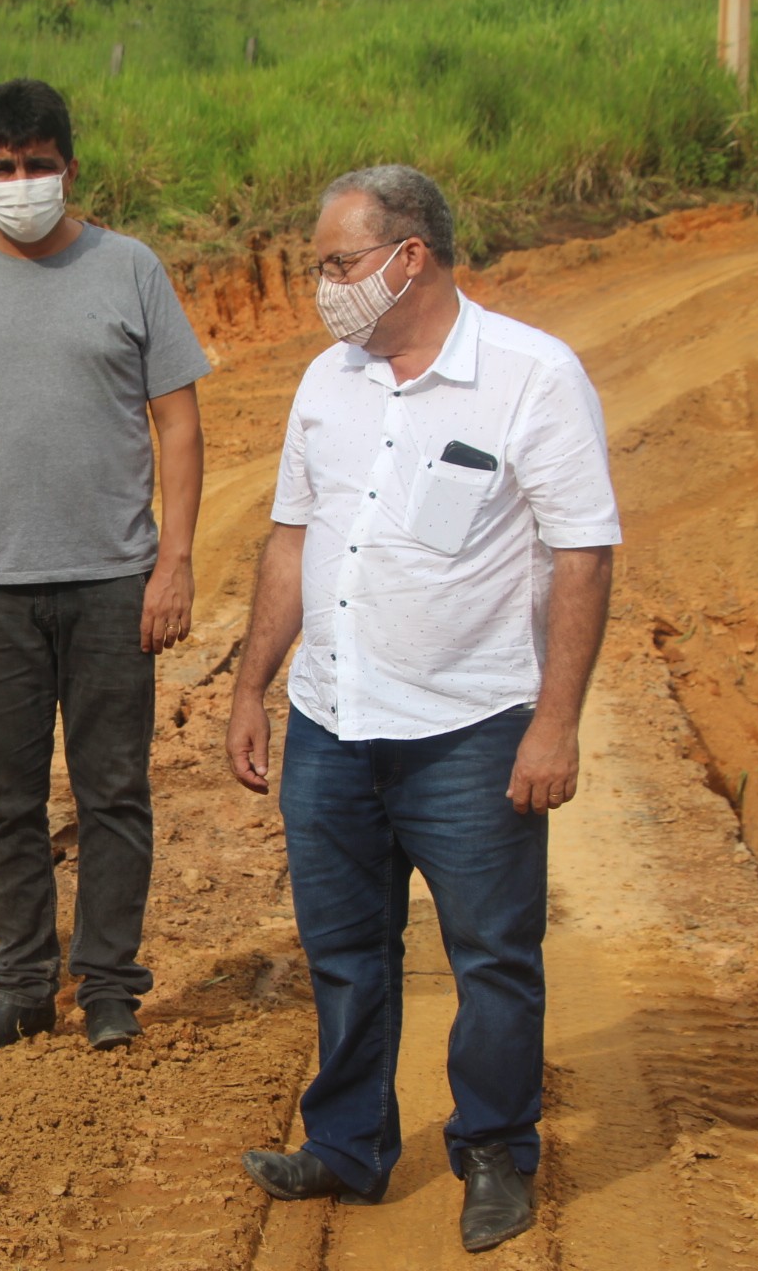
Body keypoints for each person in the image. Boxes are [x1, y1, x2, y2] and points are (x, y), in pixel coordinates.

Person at [224, 165, 618, 1252]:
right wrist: (254, 683)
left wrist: (556, 720)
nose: (324, 287)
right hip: (332, 724)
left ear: (413, 258)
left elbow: (583, 555)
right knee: (345, 949)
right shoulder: (326, 381)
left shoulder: (533, 377)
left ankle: (496, 1149)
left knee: (492, 955)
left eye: (338, 263)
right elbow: (293, 538)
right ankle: (347, 1142)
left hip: (472, 730)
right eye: (317, 266)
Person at [0, 79, 209, 1055]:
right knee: (7, 800)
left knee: (113, 791)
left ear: (71, 167)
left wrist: (175, 562)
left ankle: (109, 985)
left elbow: (180, 423)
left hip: (115, 581)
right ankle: (22, 985)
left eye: (37, 165)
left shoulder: (133, 269)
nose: (20, 183)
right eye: (1, 168)